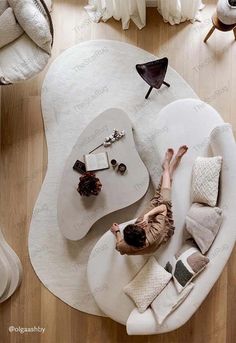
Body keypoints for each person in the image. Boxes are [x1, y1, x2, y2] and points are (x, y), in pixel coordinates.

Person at [110, 146, 188, 255]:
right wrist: (147, 216)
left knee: (158, 197)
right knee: (164, 200)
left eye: (137, 225)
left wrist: (117, 231)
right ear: (144, 233)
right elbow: (163, 208)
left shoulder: (125, 247)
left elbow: (119, 246)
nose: (139, 225)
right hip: (163, 228)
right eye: (140, 227)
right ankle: (168, 167)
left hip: (146, 231)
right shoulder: (155, 233)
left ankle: (168, 168)